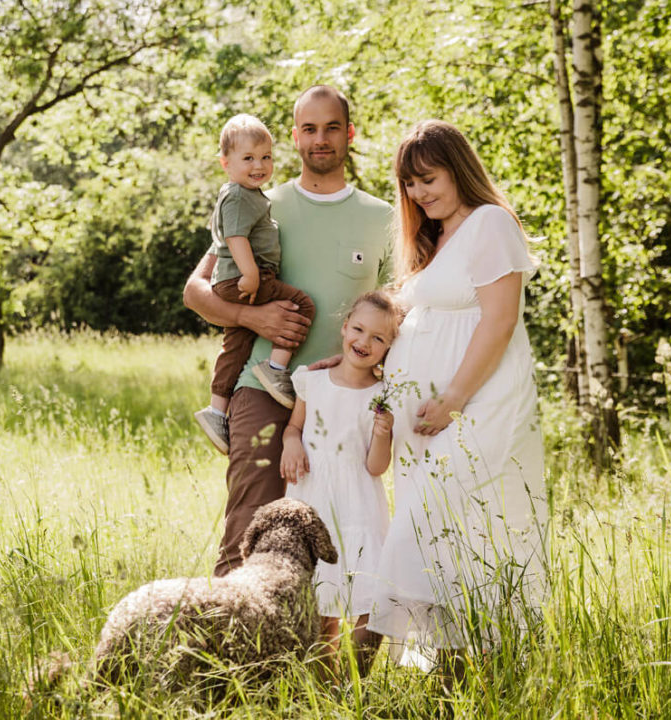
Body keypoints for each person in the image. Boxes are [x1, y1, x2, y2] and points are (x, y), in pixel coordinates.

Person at [182, 85, 392, 578]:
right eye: (310, 129)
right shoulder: (256, 200)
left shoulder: (382, 218)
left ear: (350, 134)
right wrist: (251, 318)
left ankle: (317, 656)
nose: (321, 139)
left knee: (339, 543)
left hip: (344, 399)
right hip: (261, 388)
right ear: (295, 137)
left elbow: (394, 315)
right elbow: (196, 290)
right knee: (248, 531)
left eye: (332, 128)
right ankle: (232, 653)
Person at [367, 120, 547, 670]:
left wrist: (453, 399)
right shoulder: (435, 236)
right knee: (447, 540)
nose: (420, 193)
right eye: (410, 185)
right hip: (427, 423)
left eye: (429, 178)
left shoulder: (490, 223)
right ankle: (455, 679)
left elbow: (498, 321)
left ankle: (348, 679)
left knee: (428, 530)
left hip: (475, 411)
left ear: (458, 168)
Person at [280, 290, 402, 675]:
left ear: (389, 348)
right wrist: (290, 444)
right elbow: (294, 427)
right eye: (359, 330)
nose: (364, 342)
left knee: (370, 594)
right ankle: (322, 683)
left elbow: (375, 467)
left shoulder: (382, 395)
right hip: (313, 494)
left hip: (360, 504)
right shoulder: (311, 381)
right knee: (320, 595)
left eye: (378, 338)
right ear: (345, 326)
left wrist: (383, 434)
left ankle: (352, 680)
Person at [193, 114, 316, 454]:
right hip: (246, 278)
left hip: (239, 279)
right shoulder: (238, 195)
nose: (259, 165)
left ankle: (218, 411)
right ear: (225, 163)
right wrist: (250, 274)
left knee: (236, 346)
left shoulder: (248, 193)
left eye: (266, 157)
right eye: (248, 158)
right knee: (301, 305)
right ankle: (275, 369)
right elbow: (235, 236)